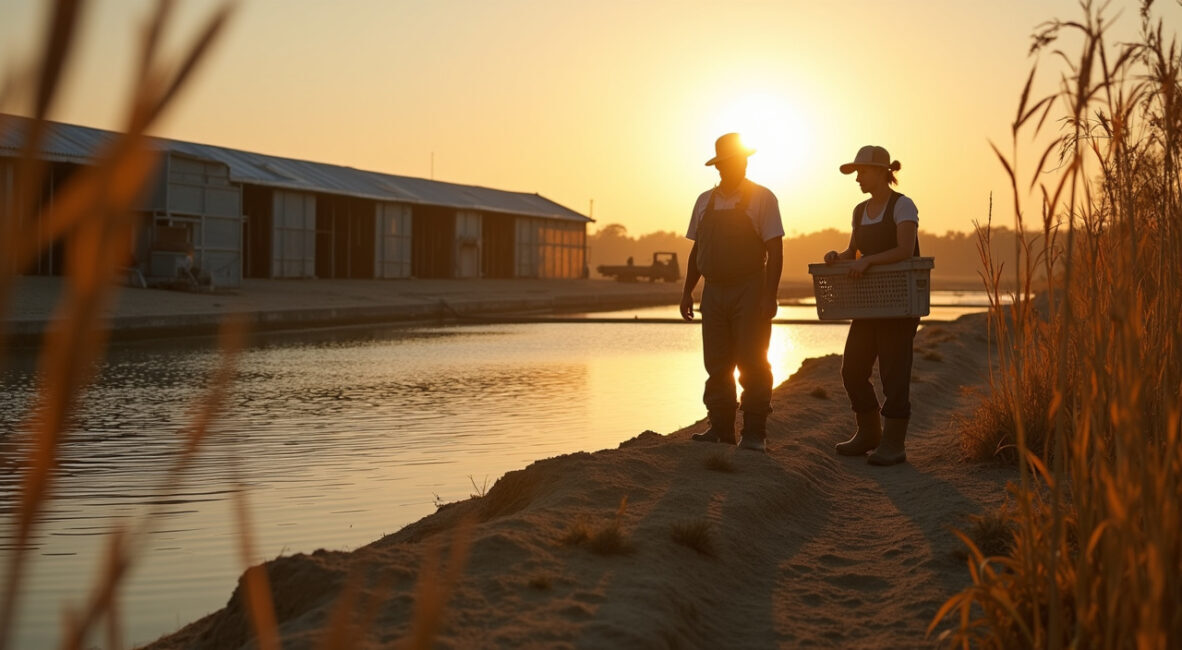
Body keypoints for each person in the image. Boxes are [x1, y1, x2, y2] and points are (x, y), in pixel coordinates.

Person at [680, 133, 784, 452]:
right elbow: (698, 249)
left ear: (745, 162)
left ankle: (754, 431)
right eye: (728, 163)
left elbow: (775, 250)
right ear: (719, 166)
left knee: (752, 359)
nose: (736, 166)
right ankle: (721, 427)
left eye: (740, 161)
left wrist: (770, 295)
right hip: (713, 290)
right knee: (717, 361)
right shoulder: (703, 201)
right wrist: (687, 293)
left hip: (750, 286)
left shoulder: (762, 198)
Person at [823, 145, 920, 465]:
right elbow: (854, 251)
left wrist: (868, 263)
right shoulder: (859, 211)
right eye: (856, 173)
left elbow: (905, 250)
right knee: (852, 369)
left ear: (881, 172)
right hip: (869, 304)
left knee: (894, 373)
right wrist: (840, 257)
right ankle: (869, 433)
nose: (858, 178)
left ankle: (894, 444)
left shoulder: (902, 206)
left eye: (862, 172)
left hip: (899, 303)